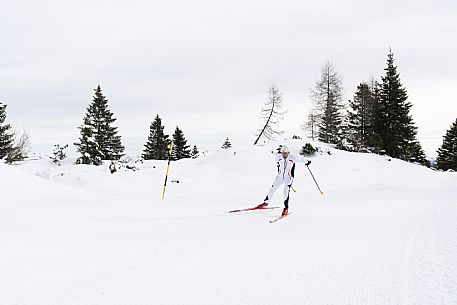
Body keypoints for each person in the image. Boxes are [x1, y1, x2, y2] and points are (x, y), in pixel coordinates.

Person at [257, 145, 311, 216]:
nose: (284, 154)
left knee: (285, 191)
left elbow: (302, 159)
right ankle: (266, 203)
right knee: (272, 189)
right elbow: (278, 164)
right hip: (279, 177)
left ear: (288, 152)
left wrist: (308, 161)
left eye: (286, 153)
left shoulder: (293, 158)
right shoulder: (278, 157)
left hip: (289, 178)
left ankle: (286, 208)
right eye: (283, 153)